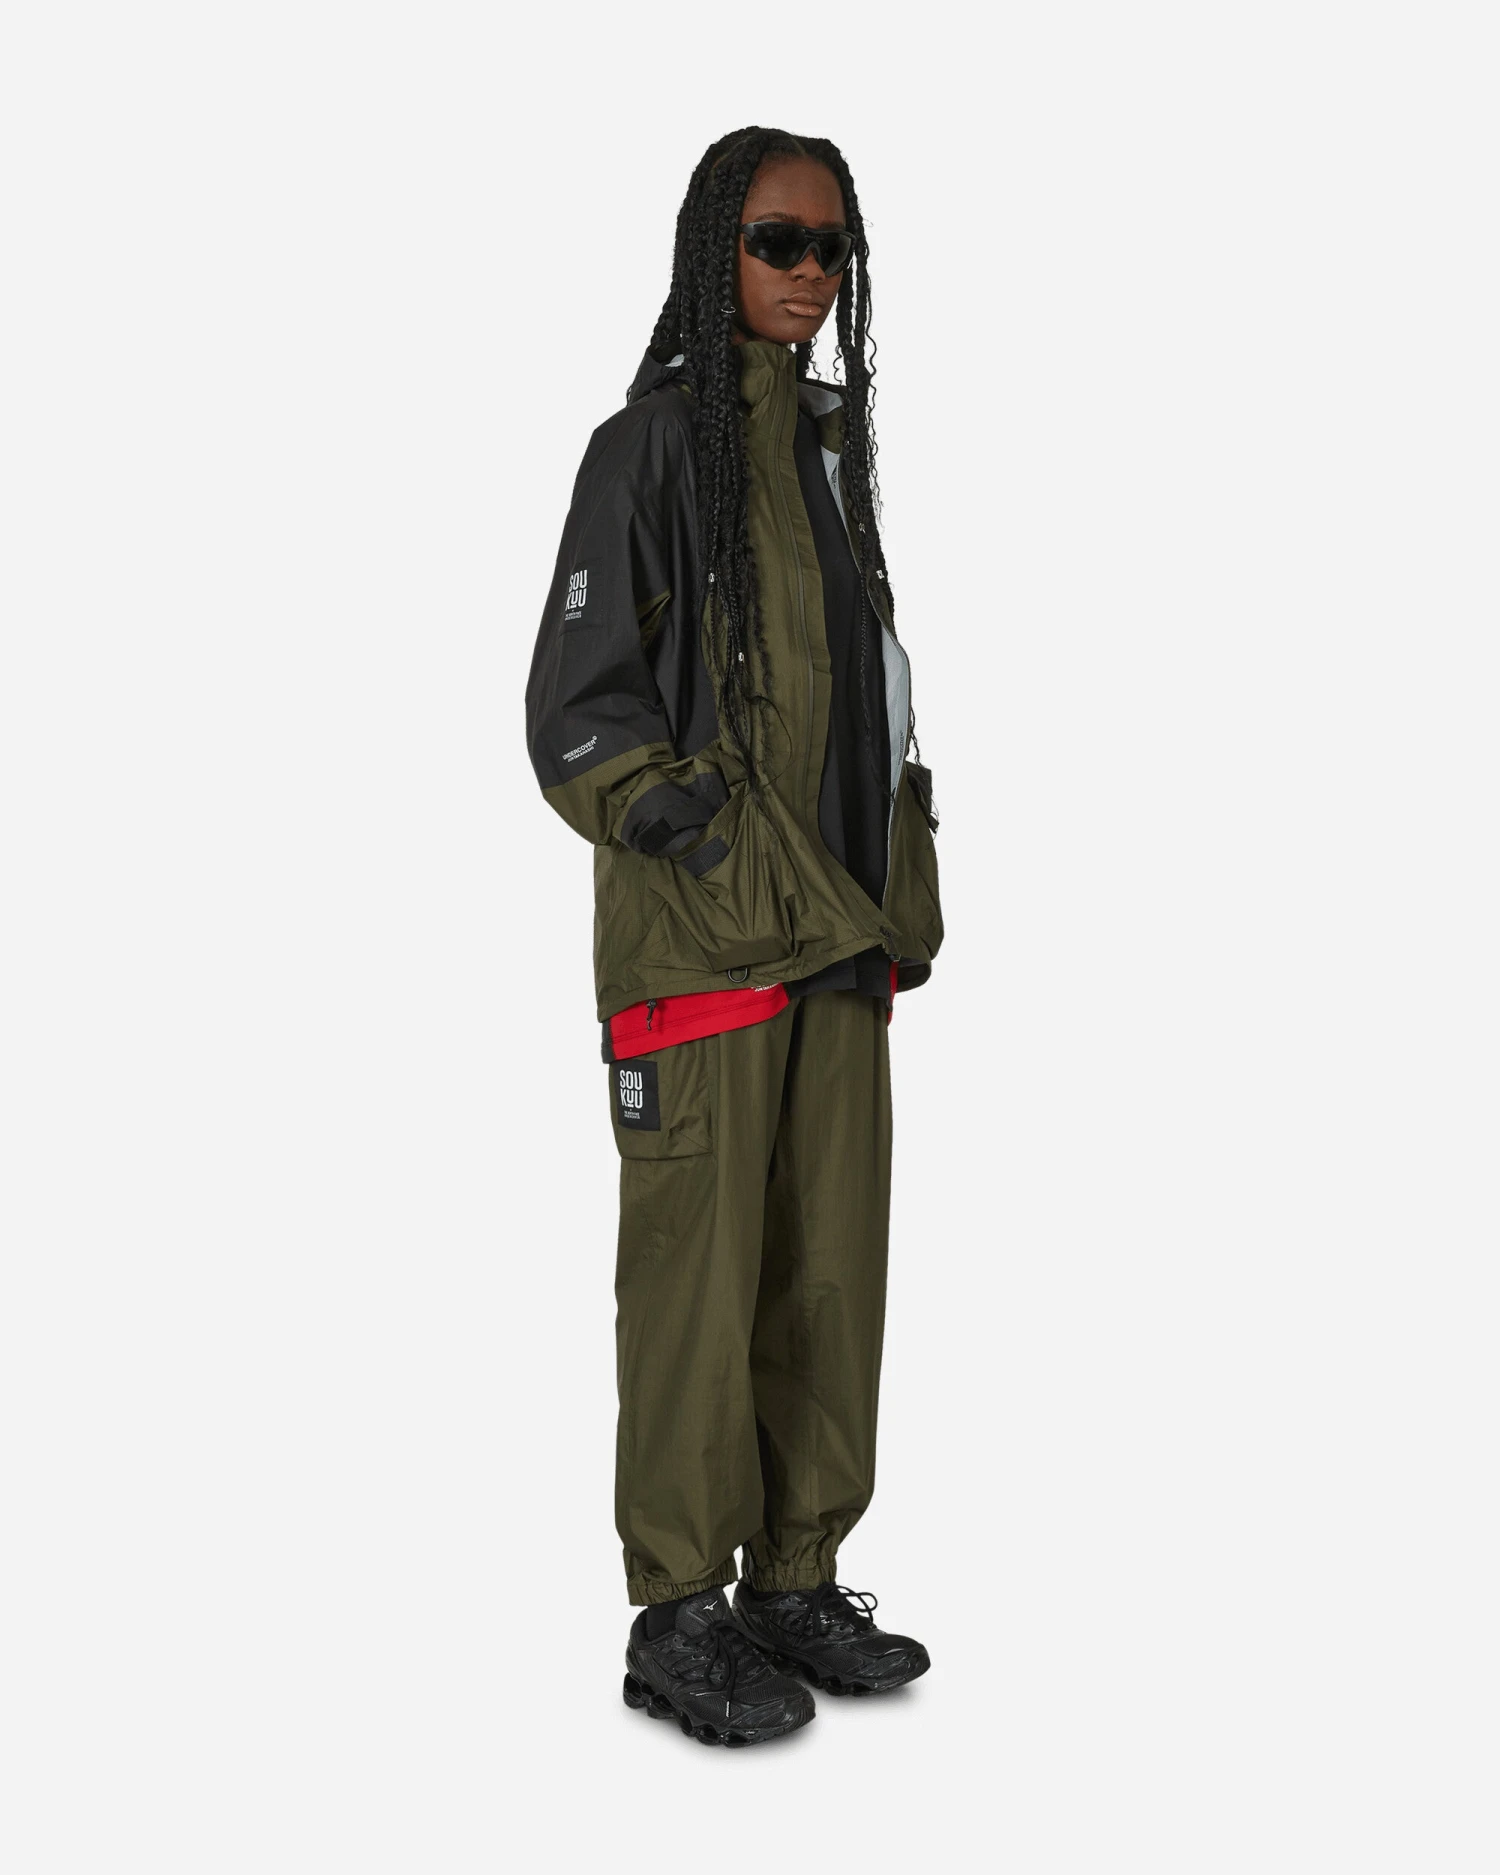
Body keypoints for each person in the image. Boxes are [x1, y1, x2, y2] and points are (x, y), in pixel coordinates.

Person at [525, 126, 943, 1747]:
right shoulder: (647, 451)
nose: (812, 275)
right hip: (709, 944)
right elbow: (578, 706)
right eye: (781, 241)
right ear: (718, 250)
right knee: (697, 1288)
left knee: (830, 1273)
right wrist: (693, 832)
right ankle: (680, 1612)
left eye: (835, 248)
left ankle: (796, 1576)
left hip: (838, 933)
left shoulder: (832, 458)